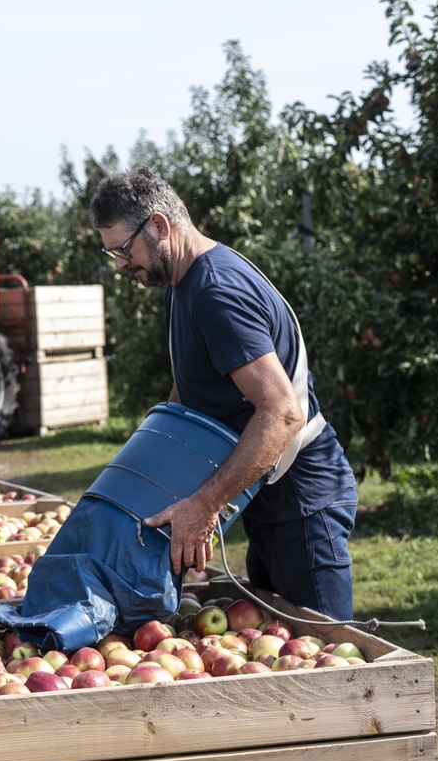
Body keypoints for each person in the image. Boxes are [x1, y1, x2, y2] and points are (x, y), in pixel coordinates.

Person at [88, 168, 357, 621]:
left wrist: (204, 503)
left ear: (158, 226)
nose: (119, 263)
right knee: (278, 646)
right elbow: (187, 395)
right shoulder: (182, 285)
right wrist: (140, 480)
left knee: (326, 660)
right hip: (266, 496)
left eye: (122, 249)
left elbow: (282, 414)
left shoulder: (216, 293)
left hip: (303, 504)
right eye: (111, 251)